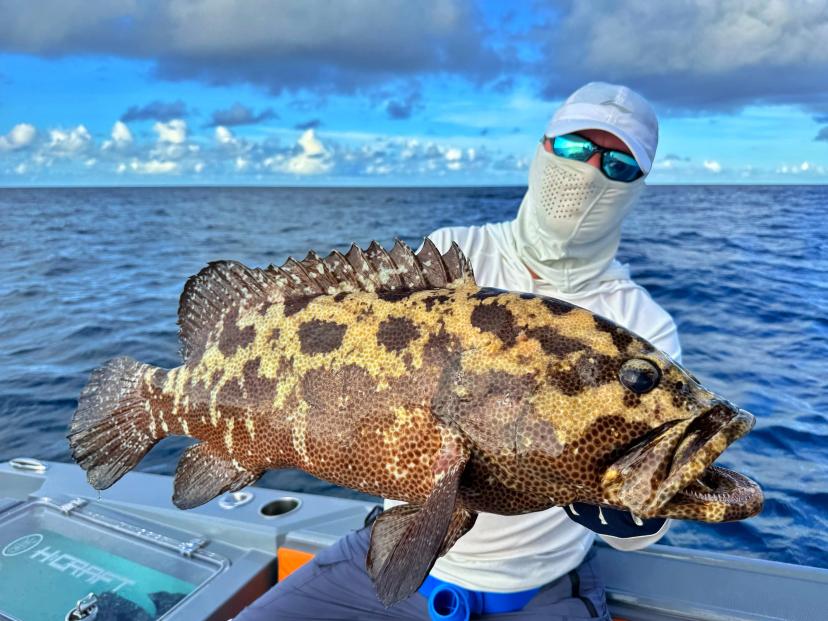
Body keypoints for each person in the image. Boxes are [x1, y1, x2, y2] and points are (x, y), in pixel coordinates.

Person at [235, 82, 681, 621]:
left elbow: (649, 519)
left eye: (619, 163)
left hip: (539, 589)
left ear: (639, 184)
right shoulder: (455, 255)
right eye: (573, 147)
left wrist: (639, 517)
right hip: (390, 553)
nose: (590, 169)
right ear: (542, 149)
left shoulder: (644, 326)